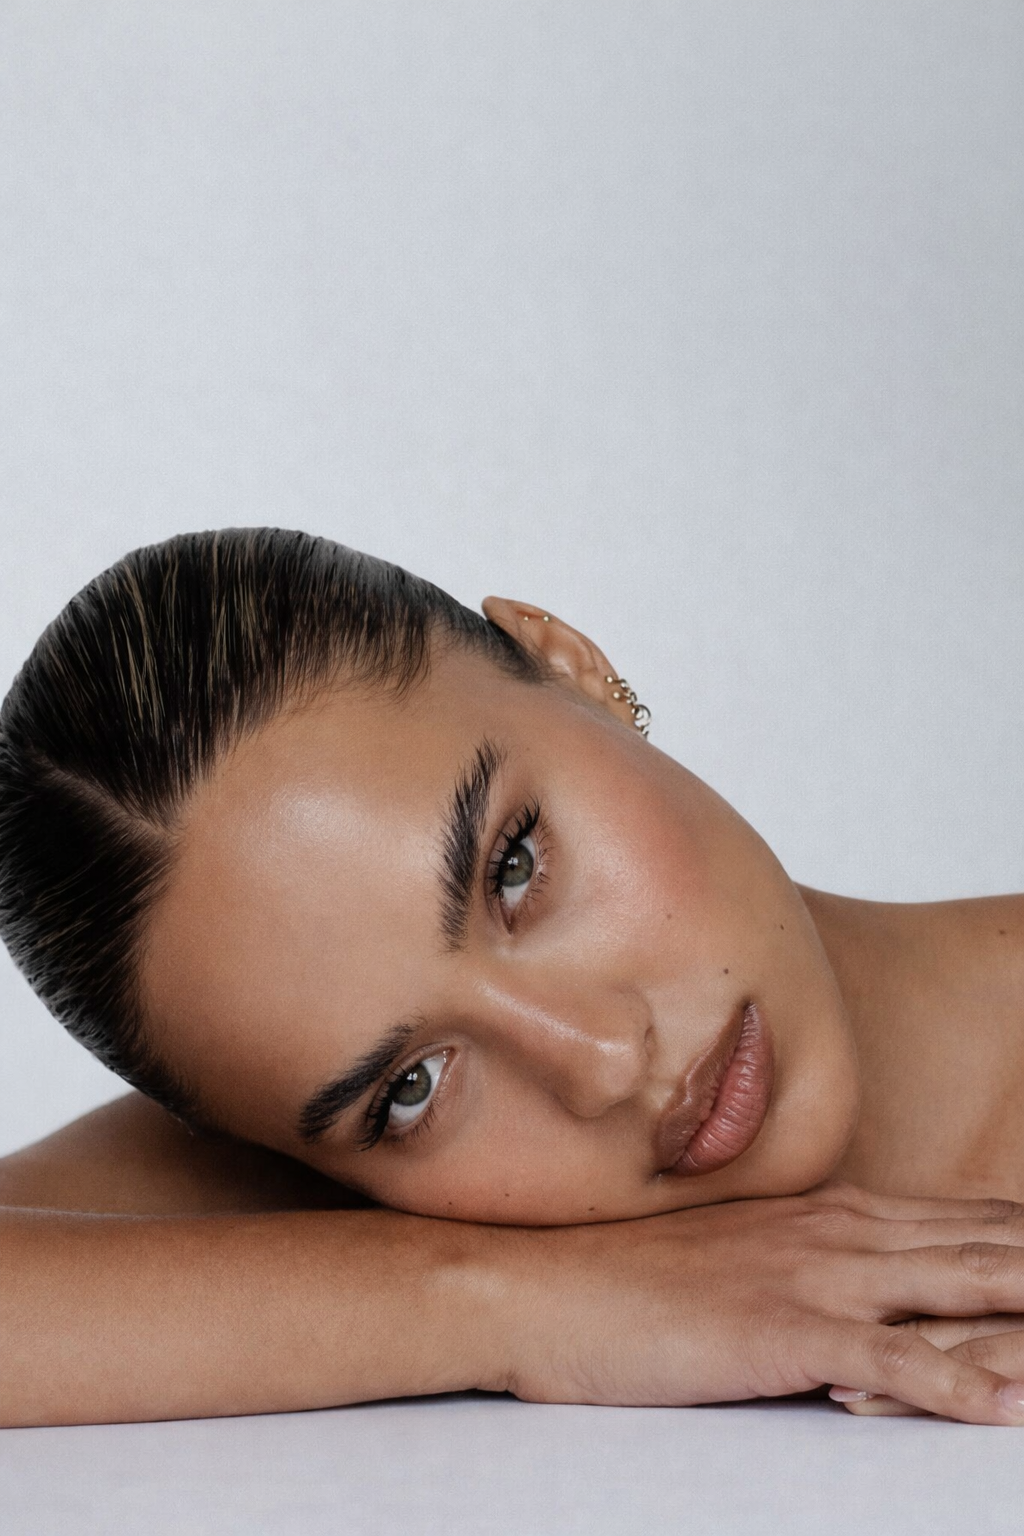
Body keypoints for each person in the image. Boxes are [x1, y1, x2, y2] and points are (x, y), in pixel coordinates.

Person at [2, 527, 1024, 1428]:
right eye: (413, 1086)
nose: (604, 1063)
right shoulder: (350, 1202)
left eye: (515, 866)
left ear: (572, 666)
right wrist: (519, 1303)